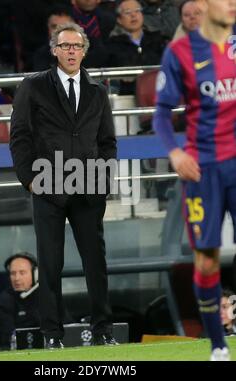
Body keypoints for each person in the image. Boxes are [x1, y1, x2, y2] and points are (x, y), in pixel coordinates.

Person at [10, 22, 117, 349]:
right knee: (51, 265)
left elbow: (108, 142)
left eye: (77, 46)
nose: (71, 51)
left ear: (84, 51)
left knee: (95, 264)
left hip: (88, 188)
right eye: (65, 46)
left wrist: (103, 178)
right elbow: (20, 136)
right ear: (54, 50)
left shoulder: (98, 92)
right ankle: (52, 337)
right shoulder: (33, 86)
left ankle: (104, 332)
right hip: (48, 186)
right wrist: (29, 179)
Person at [153, 0, 236, 361]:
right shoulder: (181, 52)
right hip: (203, 171)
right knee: (206, 259)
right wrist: (175, 152)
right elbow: (160, 112)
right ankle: (218, 345)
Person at [0, 252, 42, 350]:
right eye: (13, 273)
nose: (17, 278)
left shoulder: (47, 298)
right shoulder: (1, 303)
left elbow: (68, 327)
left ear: (35, 274)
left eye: (22, 273)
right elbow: (5, 337)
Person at [107, 0, 166, 94]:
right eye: (127, 12)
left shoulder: (158, 39)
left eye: (137, 11)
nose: (133, 15)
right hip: (127, 97)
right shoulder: (111, 45)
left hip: (157, 92)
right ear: (119, 20)